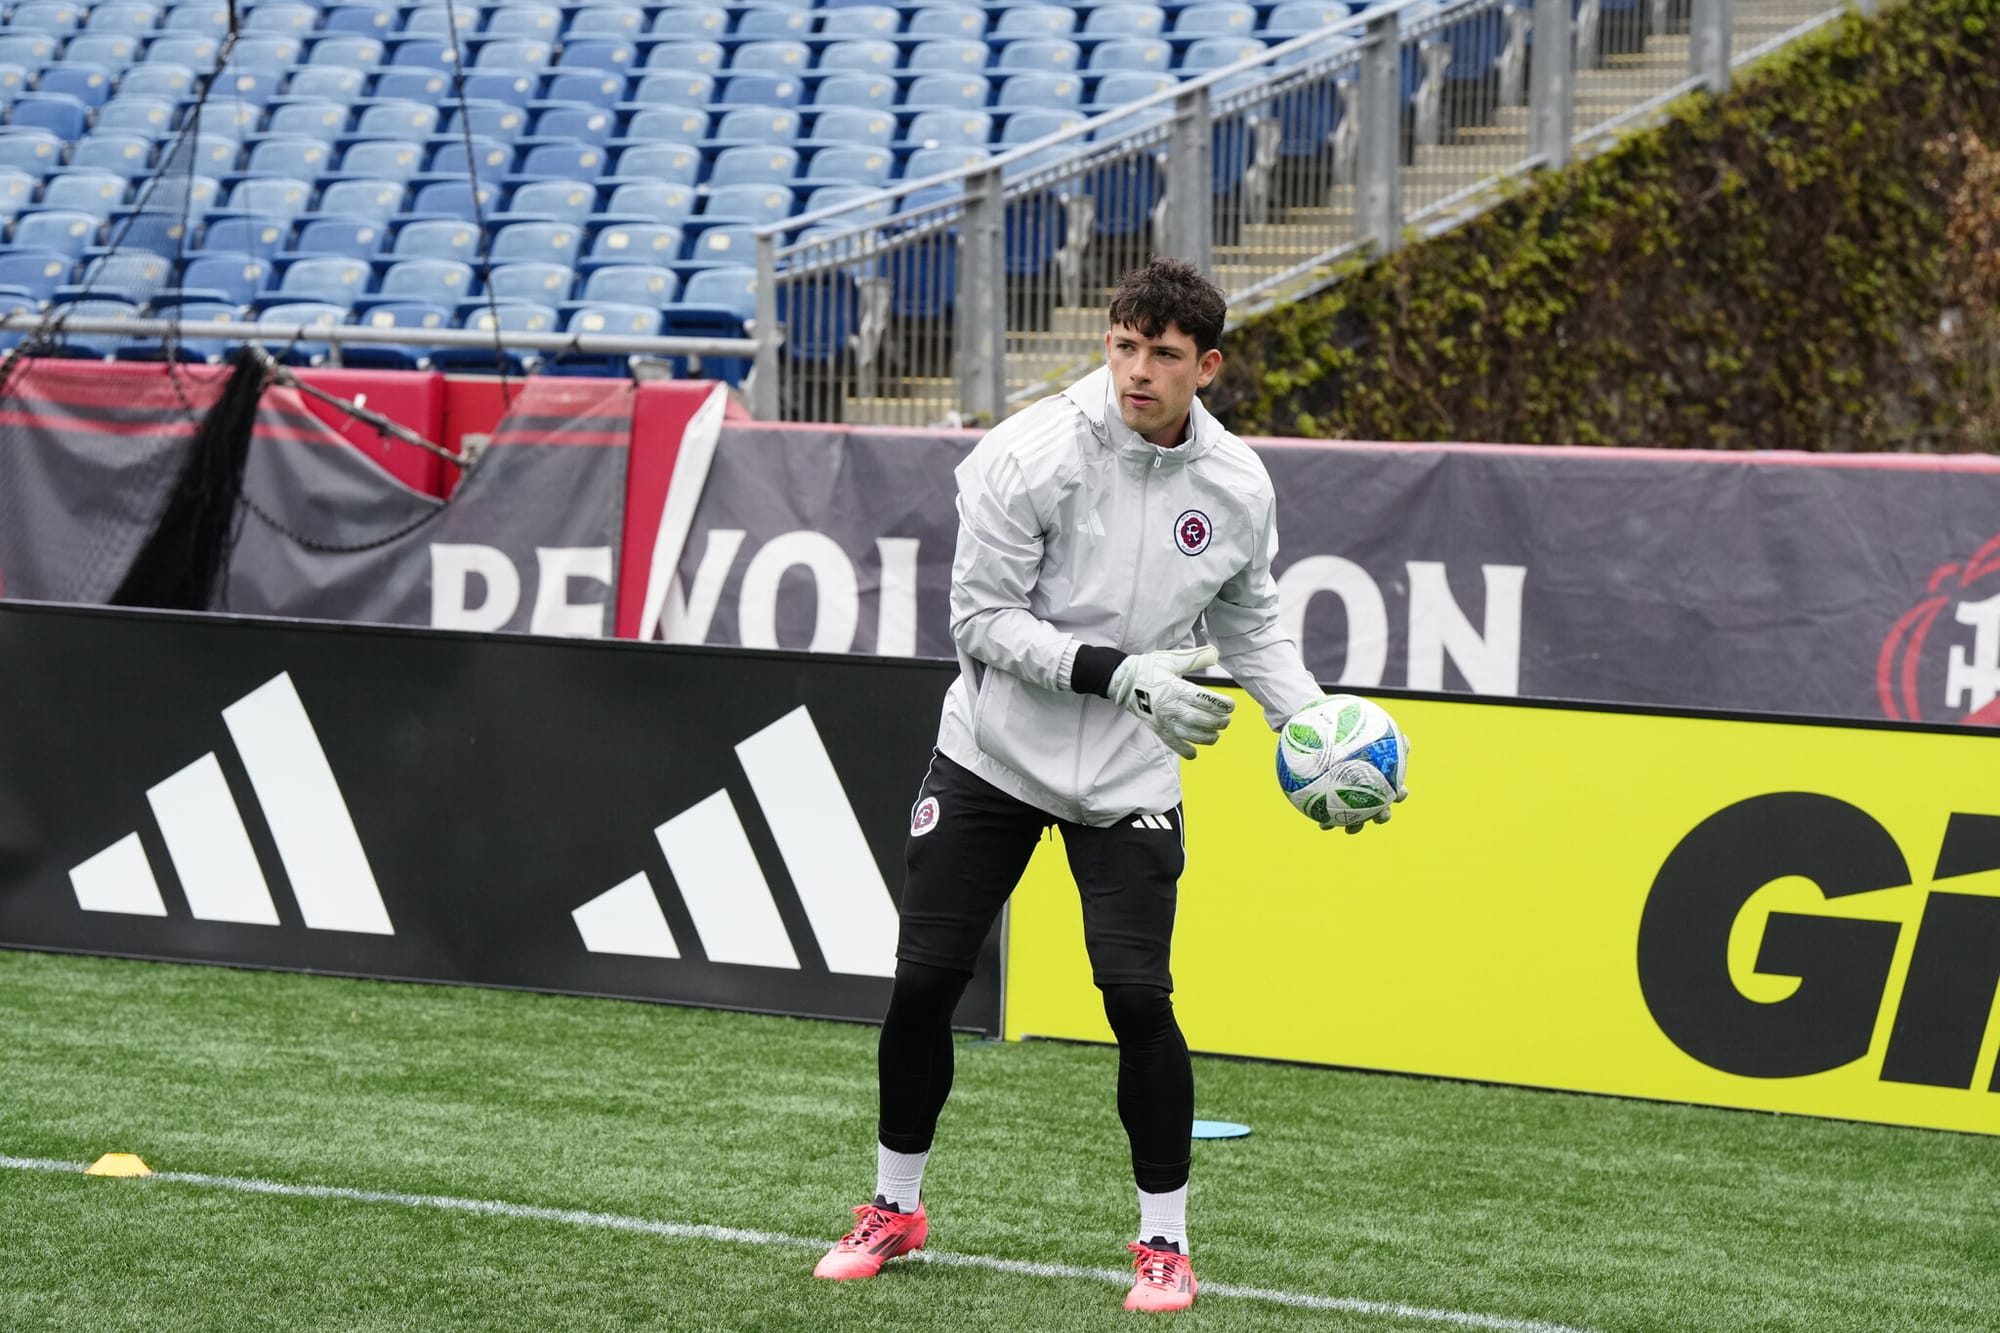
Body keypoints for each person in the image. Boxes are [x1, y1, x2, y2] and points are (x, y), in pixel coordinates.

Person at [813, 258, 1403, 1313]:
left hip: (1130, 770)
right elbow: (980, 621)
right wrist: (1120, 674)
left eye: (1164, 355)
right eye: (1125, 346)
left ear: (1205, 367)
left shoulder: (1236, 483)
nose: (1138, 371)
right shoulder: (1029, 452)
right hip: (992, 753)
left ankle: (1164, 1242)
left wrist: (1315, 728)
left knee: (1136, 997)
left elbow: (1249, 622)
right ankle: (892, 1205)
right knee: (925, 983)